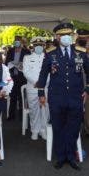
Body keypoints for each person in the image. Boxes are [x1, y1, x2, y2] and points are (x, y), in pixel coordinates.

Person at [37, 23, 89, 170]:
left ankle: (71, 157)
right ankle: (60, 157)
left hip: (75, 97)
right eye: (63, 35)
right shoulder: (50, 53)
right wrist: (41, 93)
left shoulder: (81, 52)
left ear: (72, 36)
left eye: (69, 34)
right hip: (57, 97)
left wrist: (87, 89)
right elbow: (43, 74)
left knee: (73, 128)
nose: (66, 37)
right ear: (57, 37)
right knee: (58, 128)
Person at [23, 37, 49, 140]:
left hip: (45, 87)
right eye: (36, 45)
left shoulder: (48, 57)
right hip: (32, 88)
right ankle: (35, 130)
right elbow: (26, 72)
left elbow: (51, 73)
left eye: (40, 45)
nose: (38, 47)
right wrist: (36, 82)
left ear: (43, 46)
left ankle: (43, 130)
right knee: (34, 110)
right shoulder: (27, 58)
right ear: (33, 46)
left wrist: (42, 83)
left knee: (45, 109)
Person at [5, 36, 31, 120]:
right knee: (12, 96)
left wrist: (22, 65)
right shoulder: (10, 51)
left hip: (22, 77)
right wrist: (12, 64)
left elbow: (29, 64)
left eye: (18, 41)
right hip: (12, 77)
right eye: (15, 41)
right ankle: (11, 116)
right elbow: (6, 63)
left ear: (21, 42)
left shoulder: (26, 51)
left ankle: (21, 115)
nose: (17, 42)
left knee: (21, 97)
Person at [76, 29, 89, 135]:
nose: (84, 40)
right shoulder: (74, 50)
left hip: (86, 85)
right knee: (77, 111)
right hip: (77, 85)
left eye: (86, 38)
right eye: (82, 38)